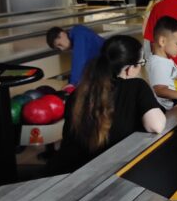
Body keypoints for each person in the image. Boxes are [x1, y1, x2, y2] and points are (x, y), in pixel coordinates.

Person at [48, 35, 165, 173]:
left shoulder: (77, 94)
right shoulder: (136, 86)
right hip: (104, 176)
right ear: (129, 69)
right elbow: (156, 125)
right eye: (141, 63)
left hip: (68, 173)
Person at [147, 16, 177, 109]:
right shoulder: (159, 63)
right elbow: (160, 90)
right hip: (167, 110)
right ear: (162, 41)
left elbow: (171, 82)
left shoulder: (164, 60)